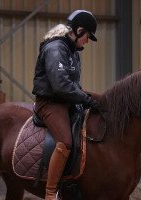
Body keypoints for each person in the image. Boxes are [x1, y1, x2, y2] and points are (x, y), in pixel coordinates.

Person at [32, 10, 100, 200]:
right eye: (87, 36)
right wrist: (86, 100)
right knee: (66, 141)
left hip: (66, 102)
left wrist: (97, 100)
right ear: (79, 31)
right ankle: (50, 192)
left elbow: (75, 86)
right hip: (50, 103)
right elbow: (61, 85)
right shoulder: (56, 48)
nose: (87, 41)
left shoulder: (72, 52)